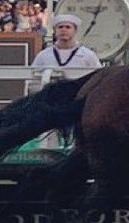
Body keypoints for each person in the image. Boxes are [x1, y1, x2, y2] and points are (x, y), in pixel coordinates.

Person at [30, 13, 103, 147]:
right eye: (60, 27)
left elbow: (97, 80)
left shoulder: (87, 55)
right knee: (48, 137)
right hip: (51, 104)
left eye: (68, 27)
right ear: (55, 31)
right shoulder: (44, 56)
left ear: (75, 30)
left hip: (78, 103)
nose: (64, 30)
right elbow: (33, 80)